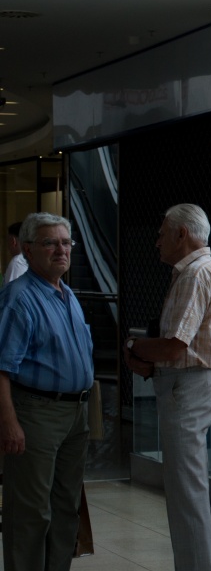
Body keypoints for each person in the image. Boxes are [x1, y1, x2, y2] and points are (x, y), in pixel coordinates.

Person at [123, 204, 211, 571]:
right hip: (187, 383)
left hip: (187, 387)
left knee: (187, 493)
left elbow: (174, 346)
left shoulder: (195, 274)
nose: (157, 242)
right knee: (187, 489)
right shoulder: (202, 270)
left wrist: (133, 347)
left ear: (182, 234)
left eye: (162, 234)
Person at [0, 212, 93, 571]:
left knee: (66, 508)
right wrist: (9, 423)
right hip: (36, 413)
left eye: (66, 242)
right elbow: (2, 368)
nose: (61, 250)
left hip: (75, 415)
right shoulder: (19, 298)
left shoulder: (66, 294)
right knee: (31, 512)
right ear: (27, 249)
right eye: (50, 243)